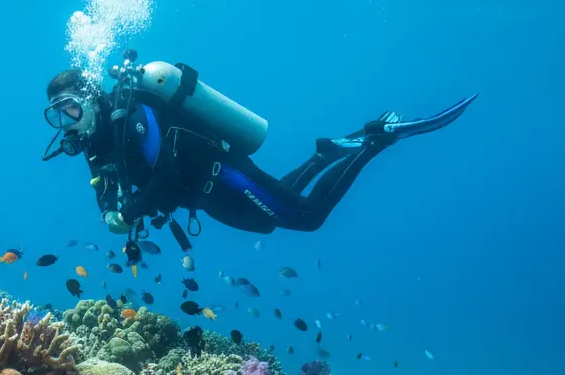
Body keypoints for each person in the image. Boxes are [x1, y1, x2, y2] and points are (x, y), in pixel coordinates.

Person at [42, 55, 475, 238]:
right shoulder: (95, 141)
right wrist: (109, 213)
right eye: (58, 115)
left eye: (71, 109)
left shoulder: (131, 115)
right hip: (204, 197)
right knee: (272, 223)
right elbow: (102, 183)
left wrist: (130, 214)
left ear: (90, 98)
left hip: (221, 172)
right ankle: (322, 155)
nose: (67, 123)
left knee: (307, 219)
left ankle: (375, 141)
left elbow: (166, 176)